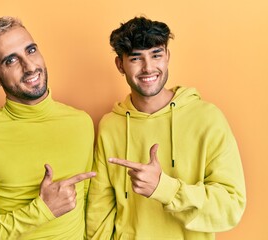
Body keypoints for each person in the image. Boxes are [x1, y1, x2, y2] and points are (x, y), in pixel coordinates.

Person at [86, 16, 246, 239]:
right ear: (120, 65)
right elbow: (99, 211)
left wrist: (164, 188)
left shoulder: (207, 118)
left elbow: (231, 207)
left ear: (167, 56)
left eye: (156, 55)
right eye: (135, 58)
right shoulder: (110, 126)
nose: (148, 67)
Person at [0, 16, 96, 239]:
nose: (29, 67)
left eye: (30, 50)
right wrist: (41, 211)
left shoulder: (81, 122)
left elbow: (87, 203)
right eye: (11, 61)